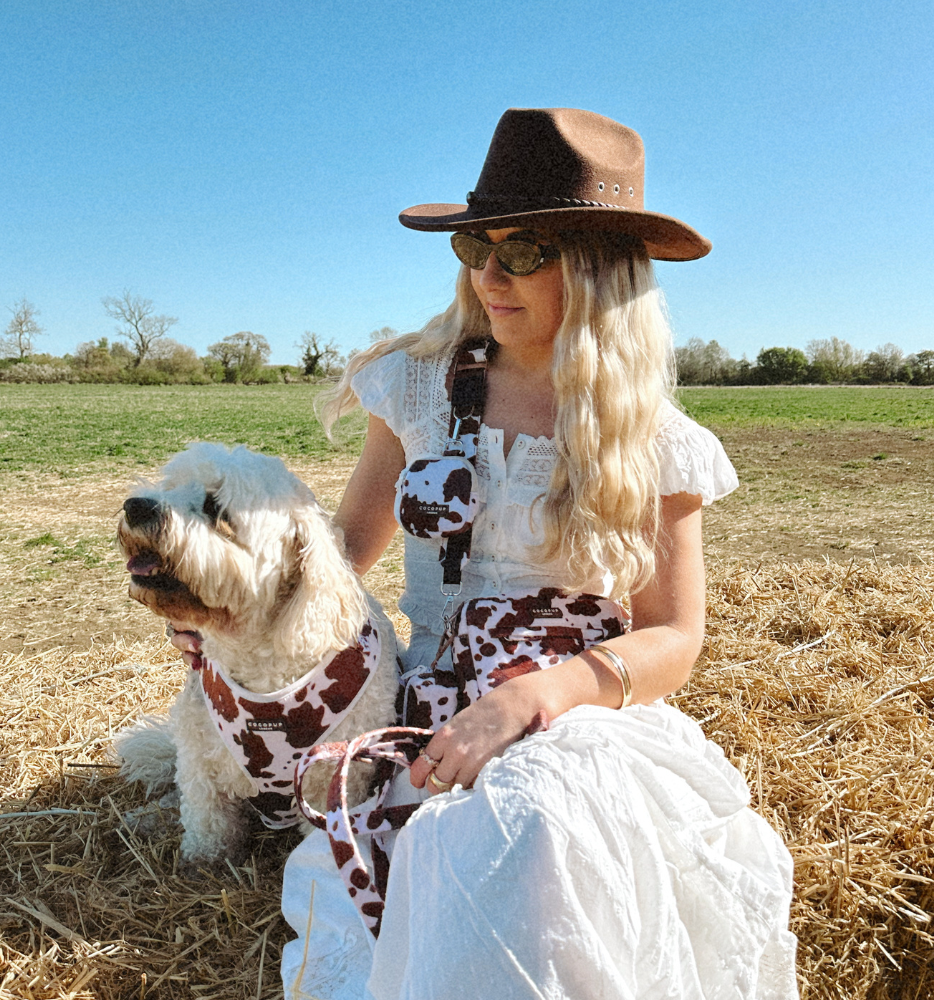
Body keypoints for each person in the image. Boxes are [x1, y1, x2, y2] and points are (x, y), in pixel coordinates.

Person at [178, 108, 799, 999]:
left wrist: (532, 700)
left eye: (524, 251)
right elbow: (344, 555)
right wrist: (232, 612)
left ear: (598, 269)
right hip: (430, 694)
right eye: (476, 247)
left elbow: (674, 636)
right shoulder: (417, 385)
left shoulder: (657, 440)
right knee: (451, 846)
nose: (489, 276)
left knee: (538, 820)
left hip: (575, 706)